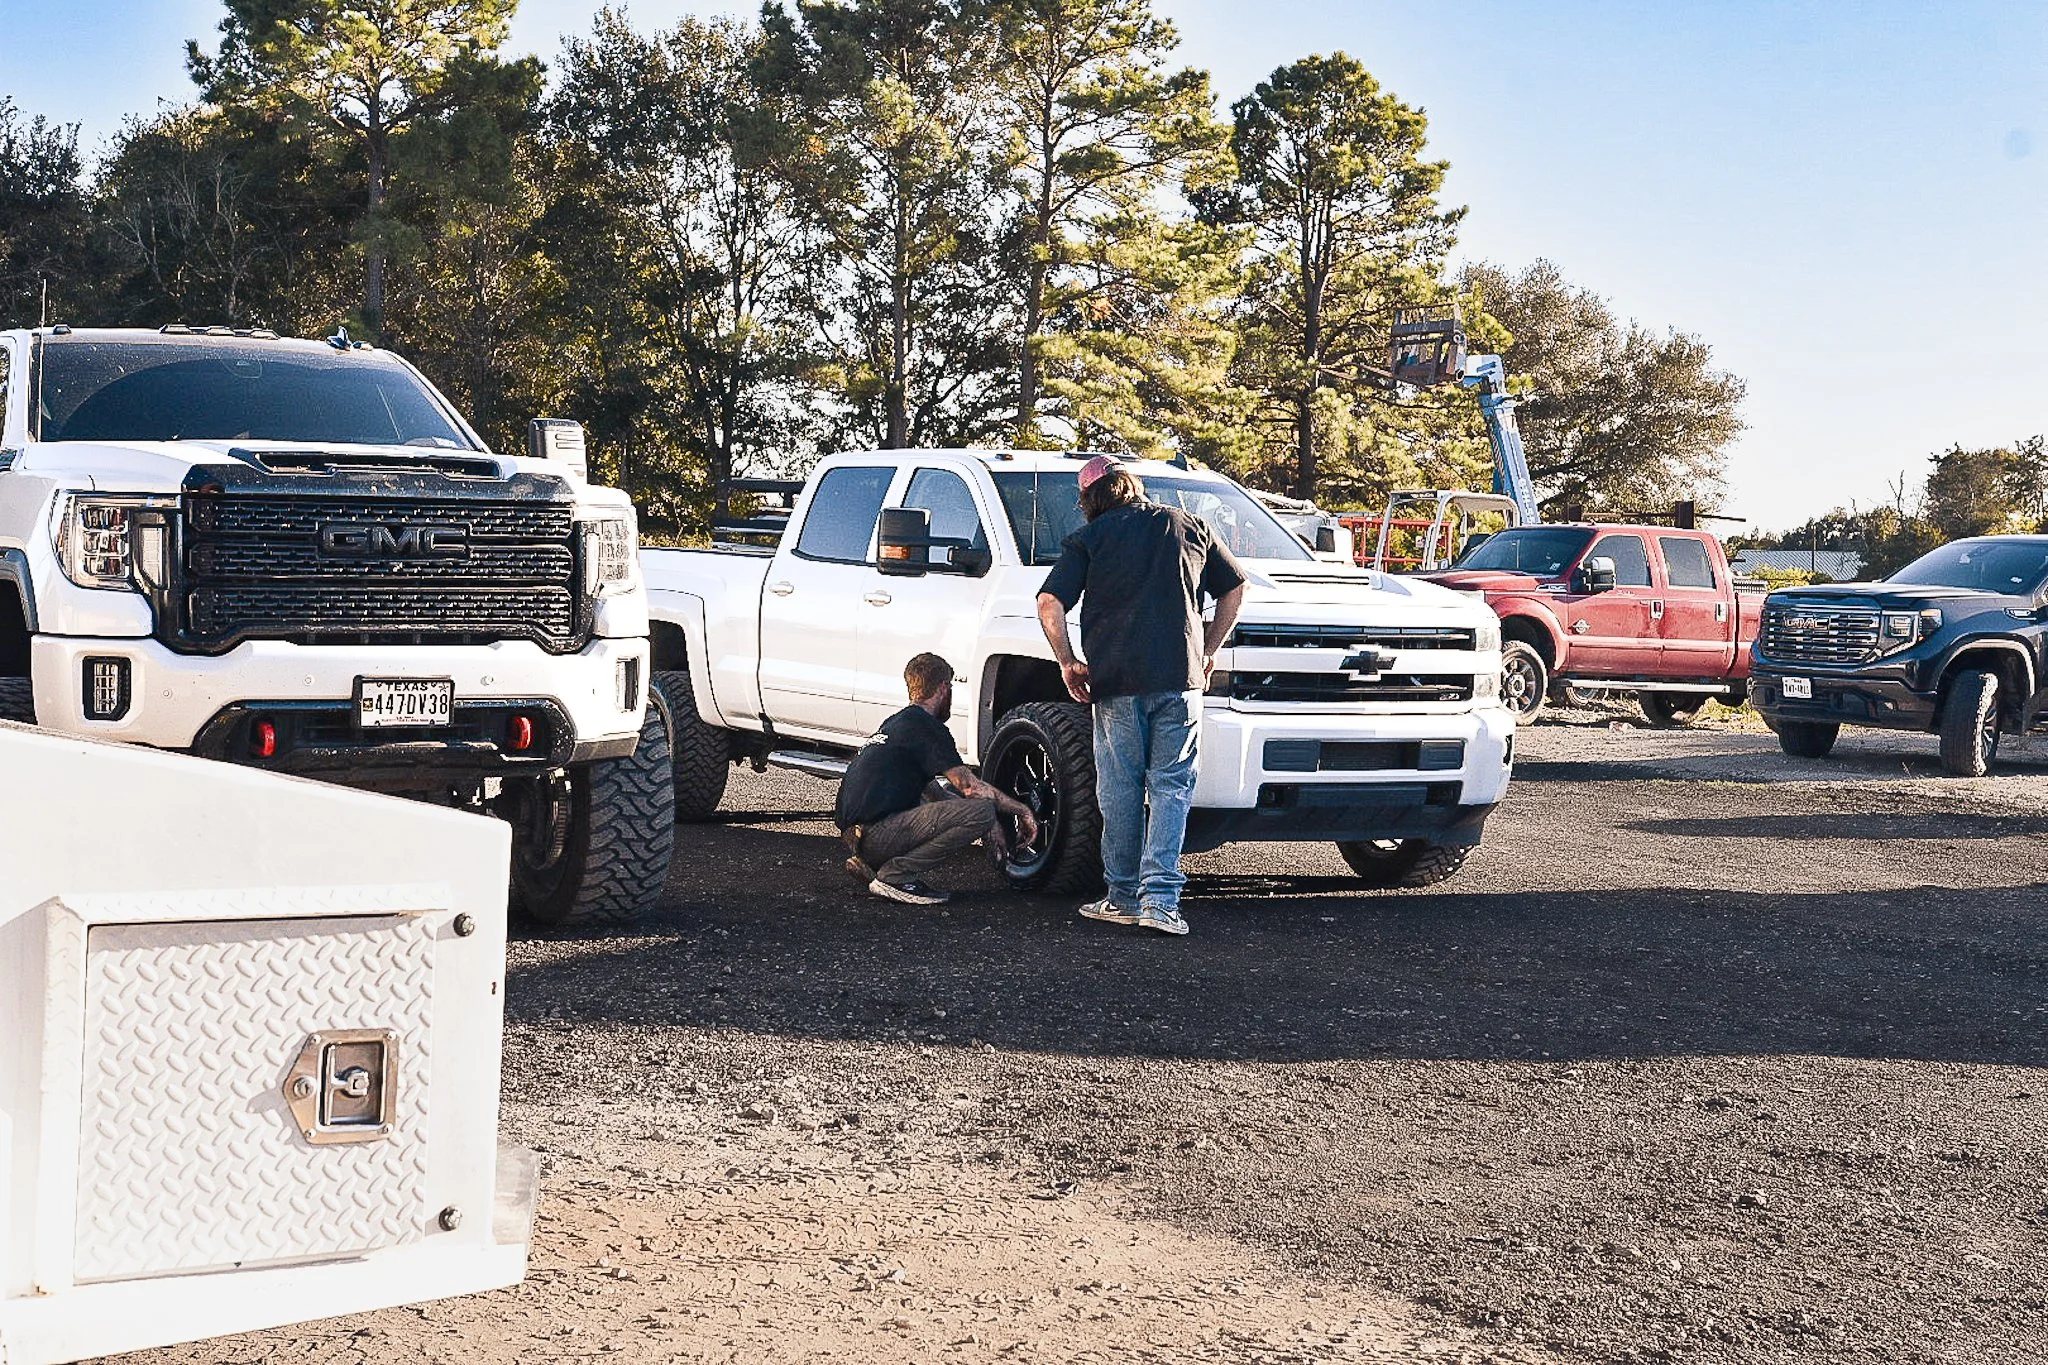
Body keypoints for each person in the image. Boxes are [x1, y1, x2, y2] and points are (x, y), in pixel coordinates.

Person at [1036, 456, 1247, 936]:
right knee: (1172, 788)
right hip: (1180, 677)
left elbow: (1050, 602)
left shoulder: (1089, 539)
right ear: (1133, 486)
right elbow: (1235, 588)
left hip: (1115, 682)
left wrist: (1068, 662)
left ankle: (1123, 896)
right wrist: (1208, 650)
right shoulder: (1186, 524)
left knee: (1120, 789)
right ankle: (1161, 904)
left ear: (1090, 498)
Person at [835, 652, 1040, 906]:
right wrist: (1021, 810)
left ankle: (873, 863)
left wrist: (990, 822)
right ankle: (896, 876)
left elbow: (936, 793)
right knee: (982, 810)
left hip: (857, 837)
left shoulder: (897, 723)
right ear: (944, 688)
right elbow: (968, 787)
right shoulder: (927, 727)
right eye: (951, 687)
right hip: (878, 834)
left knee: (971, 808)